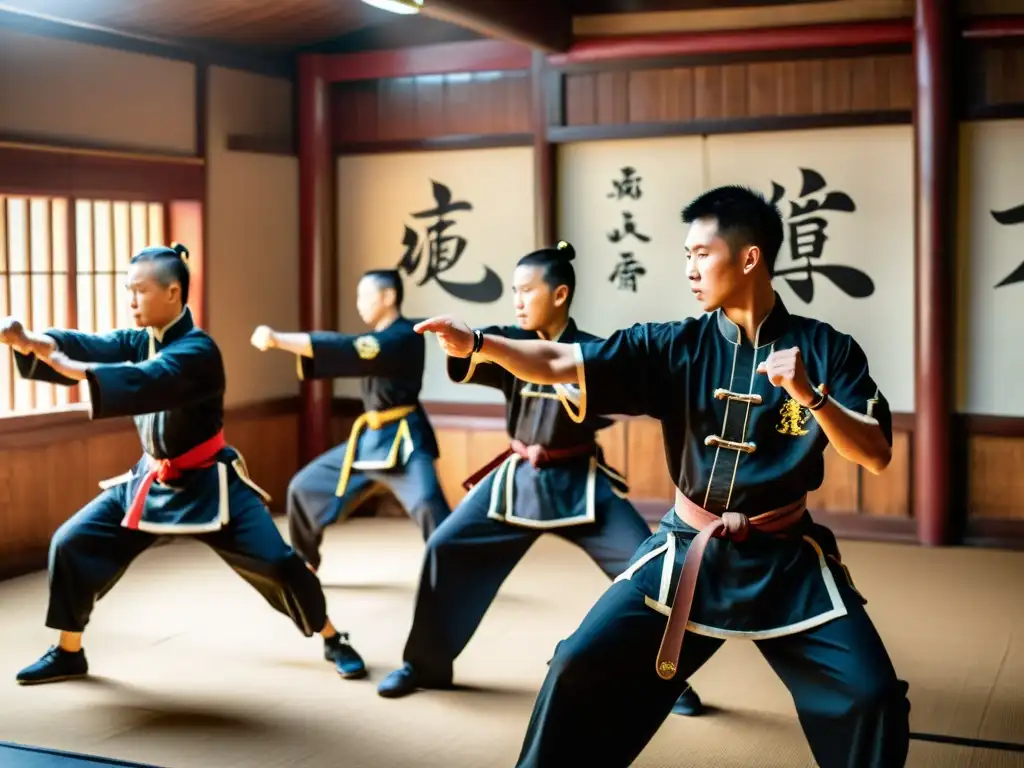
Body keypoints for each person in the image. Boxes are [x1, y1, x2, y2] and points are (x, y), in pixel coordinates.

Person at [414, 188, 911, 768]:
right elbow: (556, 362)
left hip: (786, 559)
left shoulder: (828, 350)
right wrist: (478, 345)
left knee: (872, 697)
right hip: (686, 549)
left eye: (701, 254)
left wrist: (812, 396)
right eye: (686, 255)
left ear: (749, 258)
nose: (689, 270)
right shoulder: (676, 345)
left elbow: (874, 453)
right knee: (577, 663)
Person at [6, 244, 366, 685]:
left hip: (210, 482)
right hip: (150, 479)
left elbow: (145, 381)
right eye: (127, 291)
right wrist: (30, 343)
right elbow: (91, 345)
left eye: (139, 291)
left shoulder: (199, 351)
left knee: (279, 564)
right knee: (72, 542)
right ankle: (68, 650)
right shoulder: (139, 340)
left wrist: (67, 365)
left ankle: (332, 636)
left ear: (173, 292)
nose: (130, 300)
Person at [376, 241, 704, 718]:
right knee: (444, 546)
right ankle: (424, 665)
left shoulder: (593, 350)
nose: (517, 300)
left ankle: (670, 681)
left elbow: (618, 400)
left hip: (579, 481)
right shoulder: (507, 340)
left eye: (527, 290)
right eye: (513, 291)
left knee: (649, 567)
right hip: (516, 477)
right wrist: (462, 340)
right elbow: (476, 350)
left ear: (560, 294)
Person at [250, 269, 450, 573]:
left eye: (364, 296)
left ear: (388, 297)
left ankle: (458, 568)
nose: (359, 304)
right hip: (369, 439)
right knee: (303, 487)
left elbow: (352, 349)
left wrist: (279, 339)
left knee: (427, 503)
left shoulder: (406, 335)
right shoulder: (378, 338)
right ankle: (306, 562)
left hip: (404, 437)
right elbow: (356, 349)